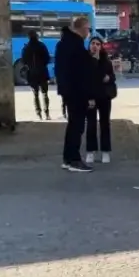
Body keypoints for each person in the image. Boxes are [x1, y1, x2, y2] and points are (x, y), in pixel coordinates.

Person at [56, 16, 98, 172]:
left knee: (72, 125)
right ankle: (74, 160)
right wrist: (89, 96)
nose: (89, 32)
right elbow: (81, 74)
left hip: (68, 91)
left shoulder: (64, 43)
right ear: (81, 28)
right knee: (77, 127)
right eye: (88, 28)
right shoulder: (75, 45)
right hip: (76, 93)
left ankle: (68, 159)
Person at [85, 37, 116, 164]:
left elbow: (112, 77)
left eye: (98, 44)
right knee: (91, 125)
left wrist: (109, 78)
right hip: (91, 97)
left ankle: (105, 152)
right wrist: (88, 98)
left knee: (105, 124)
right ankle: (90, 152)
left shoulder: (106, 61)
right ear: (89, 45)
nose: (95, 46)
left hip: (104, 97)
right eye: (93, 43)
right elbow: (85, 81)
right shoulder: (85, 61)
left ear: (101, 47)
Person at [21, 30, 52, 119]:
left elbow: (24, 61)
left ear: (28, 37)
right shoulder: (42, 46)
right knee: (45, 94)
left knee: (35, 94)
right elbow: (47, 58)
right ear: (37, 36)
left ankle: (39, 113)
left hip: (32, 74)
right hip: (42, 73)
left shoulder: (26, 48)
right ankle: (47, 113)